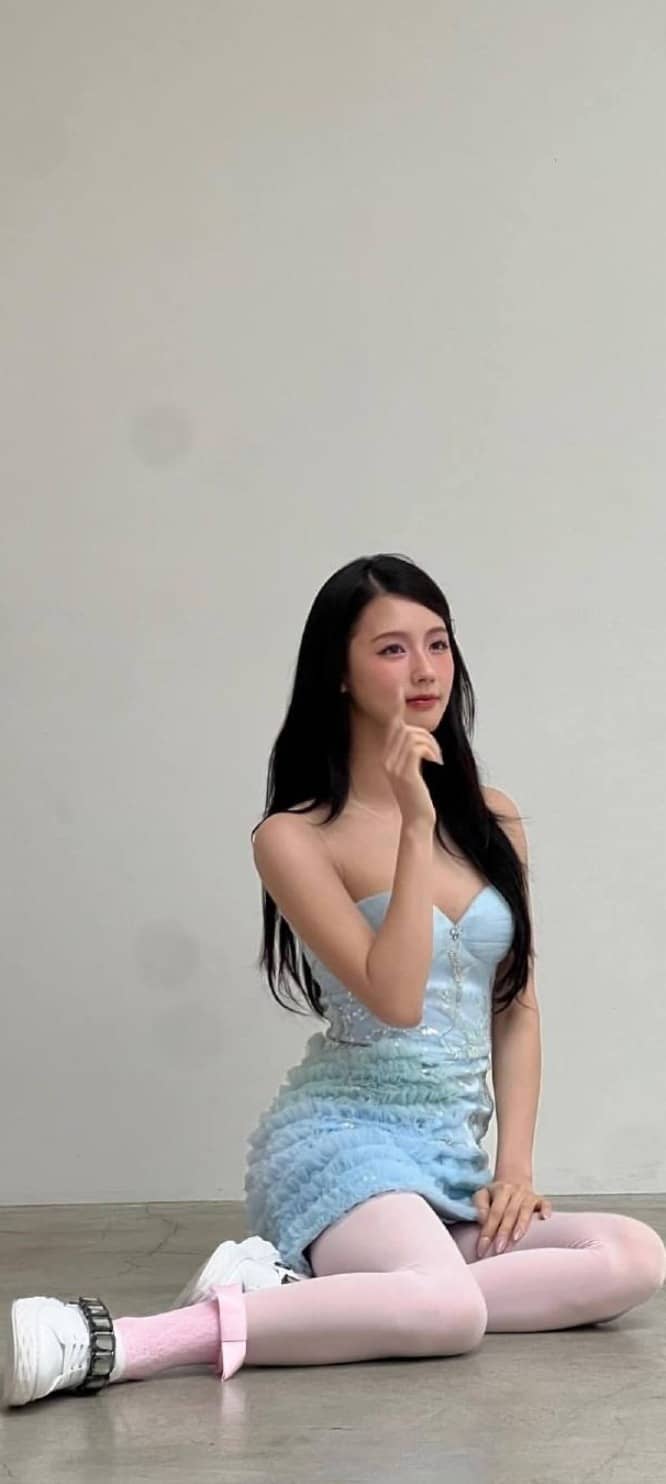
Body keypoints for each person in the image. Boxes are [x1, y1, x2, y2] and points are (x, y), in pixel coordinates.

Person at [4, 552, 664, 1407]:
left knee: (632, 1256)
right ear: (341, 674)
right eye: (392, 649)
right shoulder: (294, 837)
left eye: (438, 643)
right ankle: (116, 1342)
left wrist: (515, 1169)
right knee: (448, 1313)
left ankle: (310, 1301)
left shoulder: (494, 819)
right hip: (345, 1144)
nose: (424, 670)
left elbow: (517, 1008)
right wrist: (414, 825)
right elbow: (396, 998)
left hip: (450, 1164)